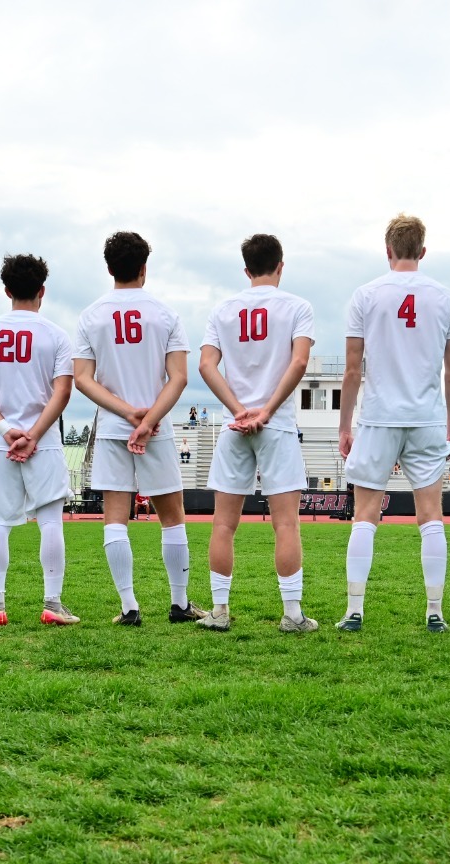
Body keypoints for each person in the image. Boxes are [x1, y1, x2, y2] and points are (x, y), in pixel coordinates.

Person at [338, 214, 450, 631]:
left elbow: (353, 369)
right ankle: (435, 613)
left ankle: (355, 611)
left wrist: (344, 427)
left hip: (378, 417)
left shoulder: (365, 295)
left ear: (388, 250)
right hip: (425, 417)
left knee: (365, 515)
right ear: (422, 251)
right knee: (431, 516)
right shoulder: (446, 298)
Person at [73, 231, 199, 625]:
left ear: (109, 268)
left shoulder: (91, 315)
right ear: (145, 267)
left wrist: (128, 415)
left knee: (115, 517)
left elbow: (83, 379)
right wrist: (147, 420)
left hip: (113, 426)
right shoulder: (165, 314)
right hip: (157, 427)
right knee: (172, 516)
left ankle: (129, 608)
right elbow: (178, 378)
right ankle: (179, 605)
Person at [196, 233, 320, 632]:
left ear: (246, 269)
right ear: (281, 265)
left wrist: (238, 410)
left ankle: (219, 611)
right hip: (277, 423)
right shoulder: (298, 307)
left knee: (222, 524)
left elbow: (206, 366)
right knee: (286, 523)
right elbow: (299, 362)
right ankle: (292, 615)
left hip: (235, 425)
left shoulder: (223, 309)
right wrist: (266, 410)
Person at [0, 252, 79, 626]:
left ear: (7, 290)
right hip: (43, 440)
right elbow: (62, 392)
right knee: (51, 521)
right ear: (42, 291)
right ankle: (52, 603)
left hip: (1, 442)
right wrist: (32, 434)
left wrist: (5, 429)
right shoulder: (56, 334)